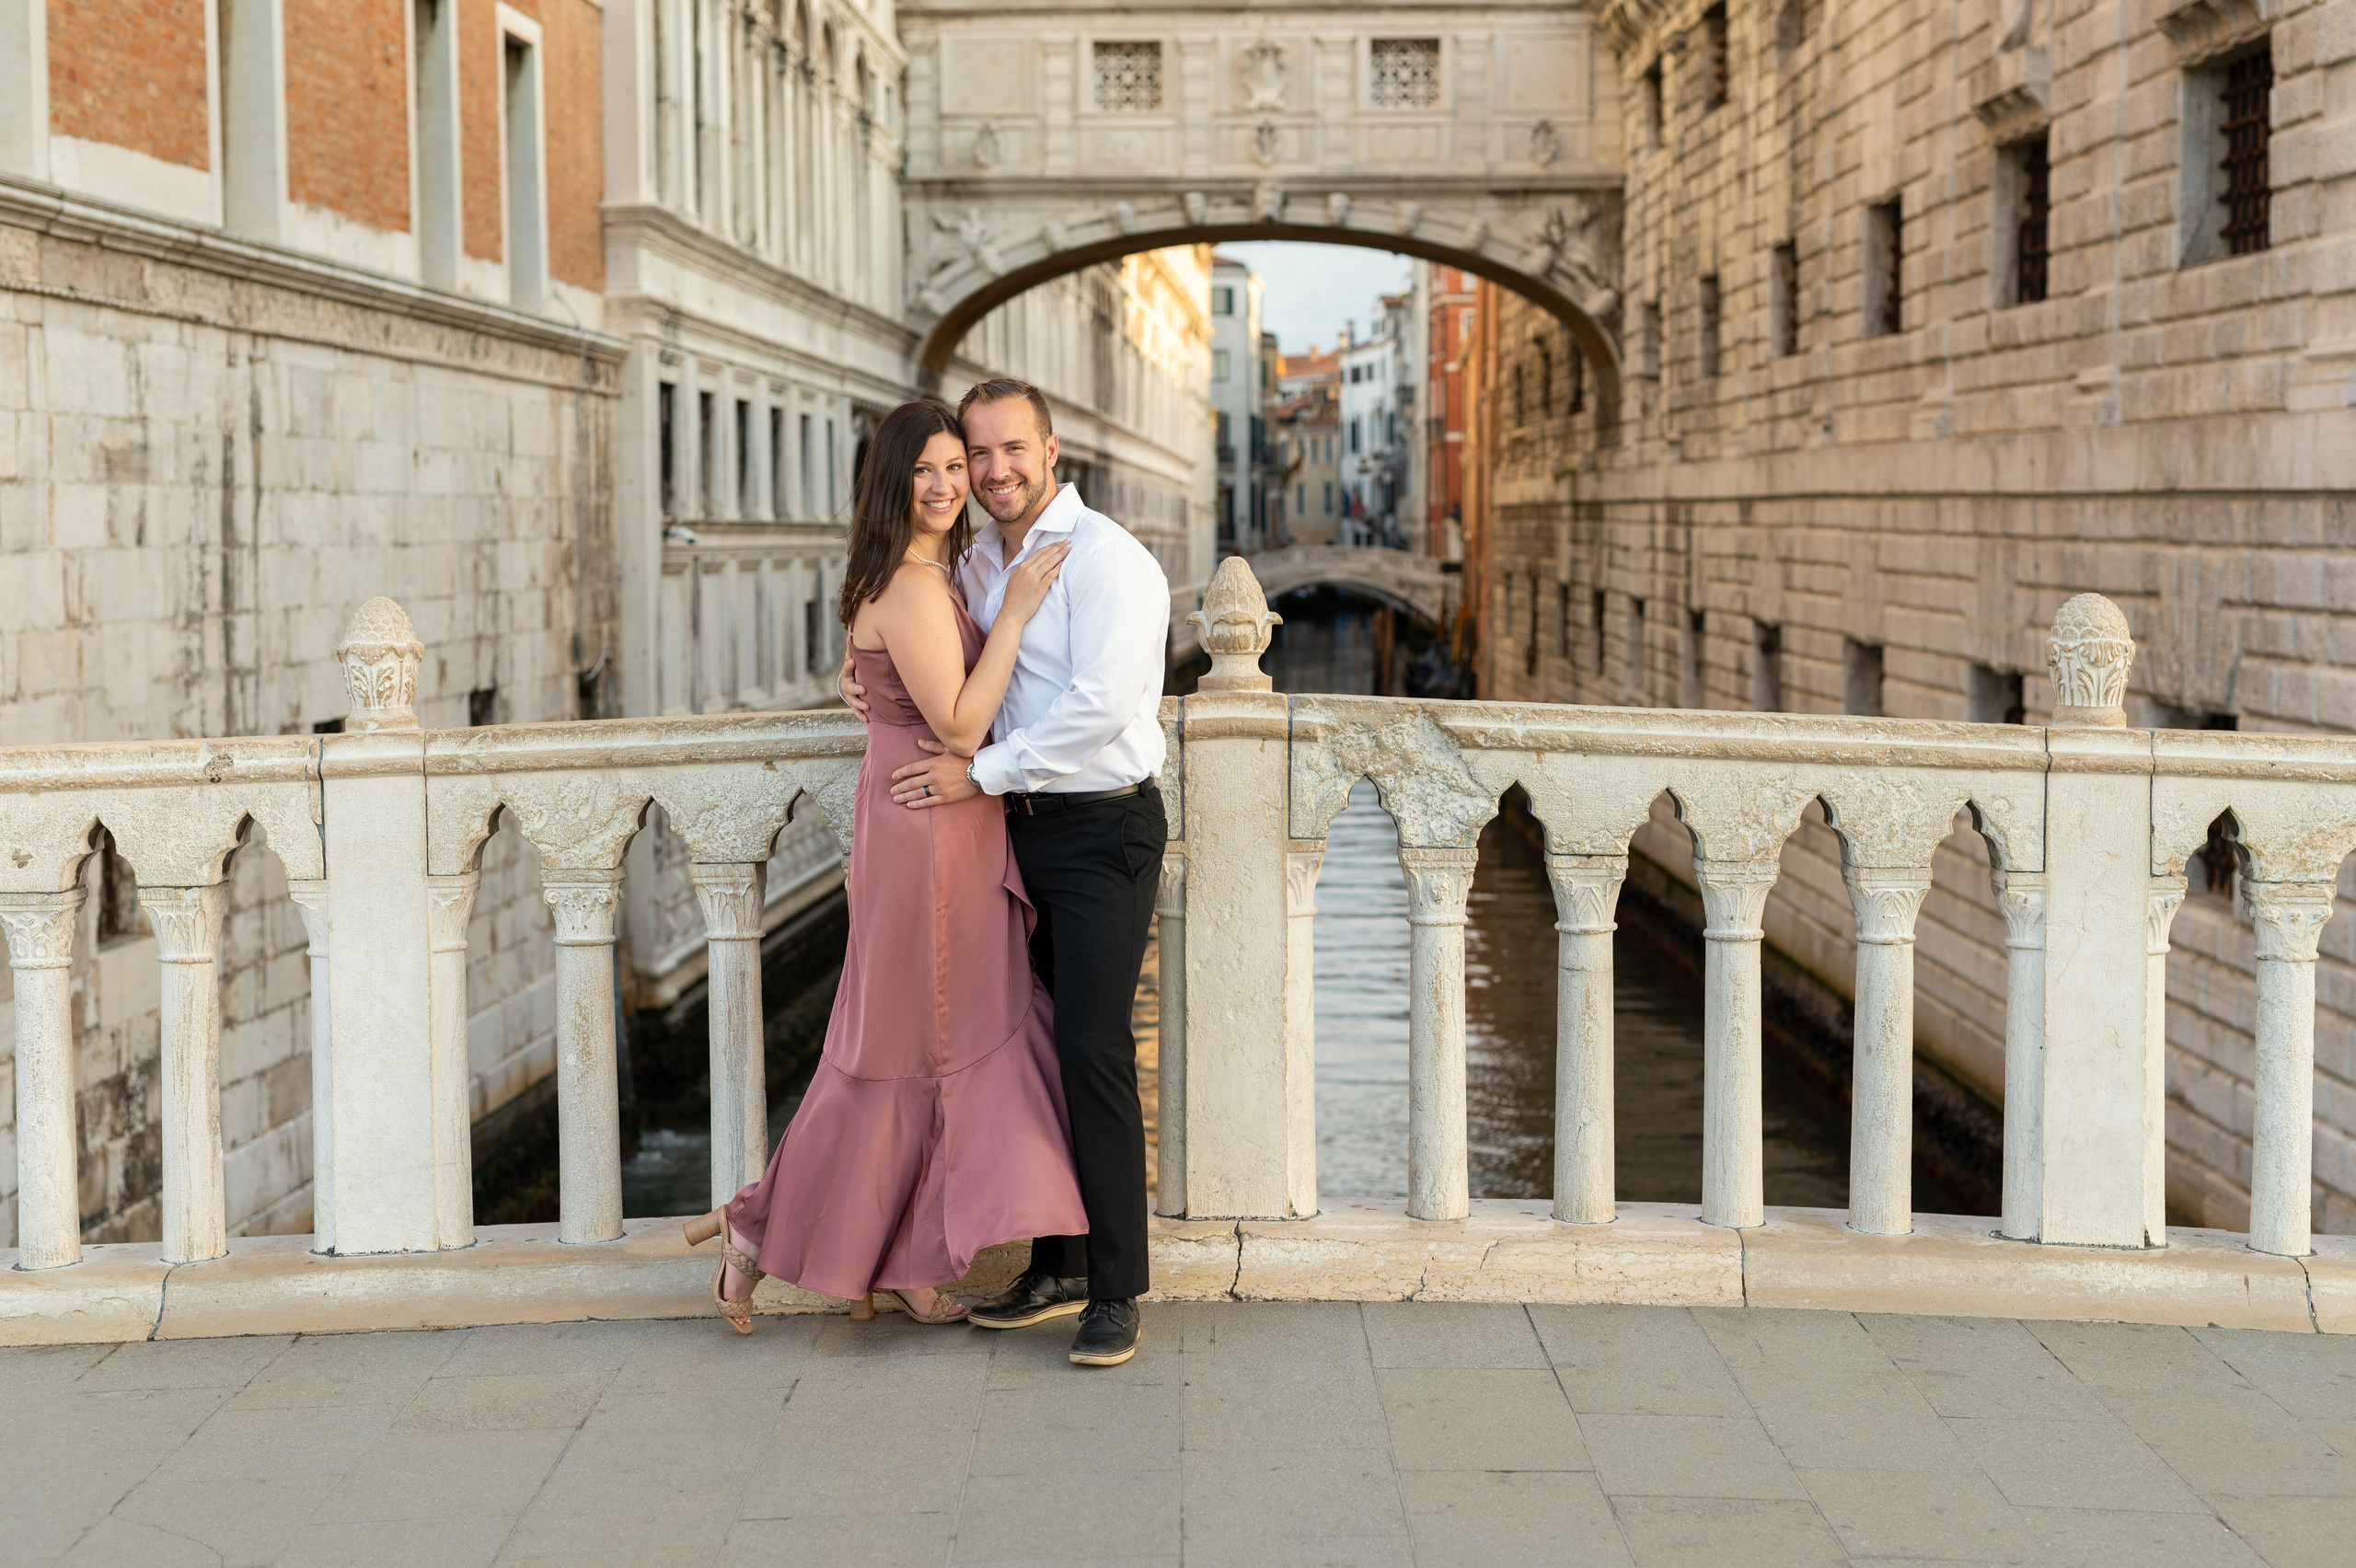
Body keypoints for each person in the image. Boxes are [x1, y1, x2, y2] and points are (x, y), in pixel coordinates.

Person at [683, 398, 1086, 1332]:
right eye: (926, 472)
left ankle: (907, 1256)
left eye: (956, 467)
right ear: (891, 484)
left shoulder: (913, 578)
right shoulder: (909, 585)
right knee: (907, 1051)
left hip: (939, 822)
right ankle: (756, 1229)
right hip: (931, 836)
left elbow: (899, 687)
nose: (948, 486)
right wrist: (1020, 610)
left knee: (933, 1046)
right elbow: (958, 724)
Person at [844, 377, 1172, 1368]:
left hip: (1099, 832)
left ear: (1052, 448)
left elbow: (1103, 709)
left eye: (1006, 451)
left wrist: (977, 768)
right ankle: (1060, 1260)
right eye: (973, 455)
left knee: (1090, 1049)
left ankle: (1116, 1287)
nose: (989, 472)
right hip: (1006, 832)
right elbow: (926, 654)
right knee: (1025, 1046)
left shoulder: (1111, 561)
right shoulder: (977, 561)